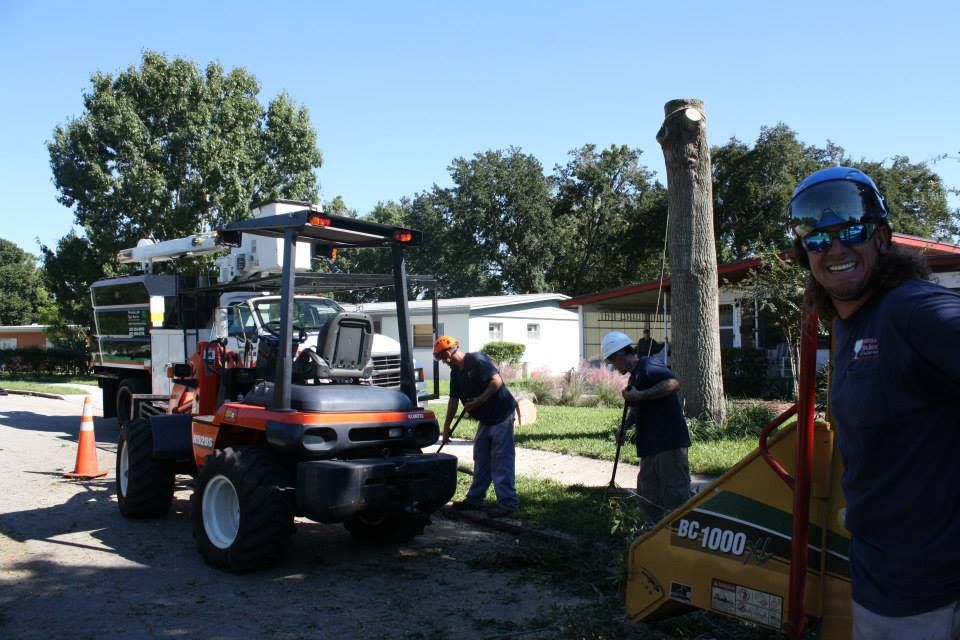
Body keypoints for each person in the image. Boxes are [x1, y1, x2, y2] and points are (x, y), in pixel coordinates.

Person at [790, 166, 960, 639]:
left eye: (853, 232)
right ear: (806, 253)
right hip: (881, 580)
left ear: (882, 239)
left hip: (932, 595)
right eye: (819, 240)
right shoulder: (851, 321)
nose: (836, 249)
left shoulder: (913, 309)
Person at [601, 331, 691, 522]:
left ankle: (676, 539)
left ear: (619, 356)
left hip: (668, 443)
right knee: (648, 497)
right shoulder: (635, 377)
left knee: (675, 498)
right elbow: (636, 409)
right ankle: (653, 537)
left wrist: (640, 395)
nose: (614, 367)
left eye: (612, 362)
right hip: (650, 446)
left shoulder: (649, 366)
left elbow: (673, 383)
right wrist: (624, 428)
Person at [434, 335, 520, 518]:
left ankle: (508, 503)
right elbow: (453, 399)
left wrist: (478, 401)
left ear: (449, 352)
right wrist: (447, 427)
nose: (443, 362)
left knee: (500, 459)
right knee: (480, 456)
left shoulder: (477, 360)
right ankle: (475, 499)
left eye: (442, 358)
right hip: (486, 418)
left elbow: (496, 382)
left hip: (501, 414)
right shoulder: (455, 372)